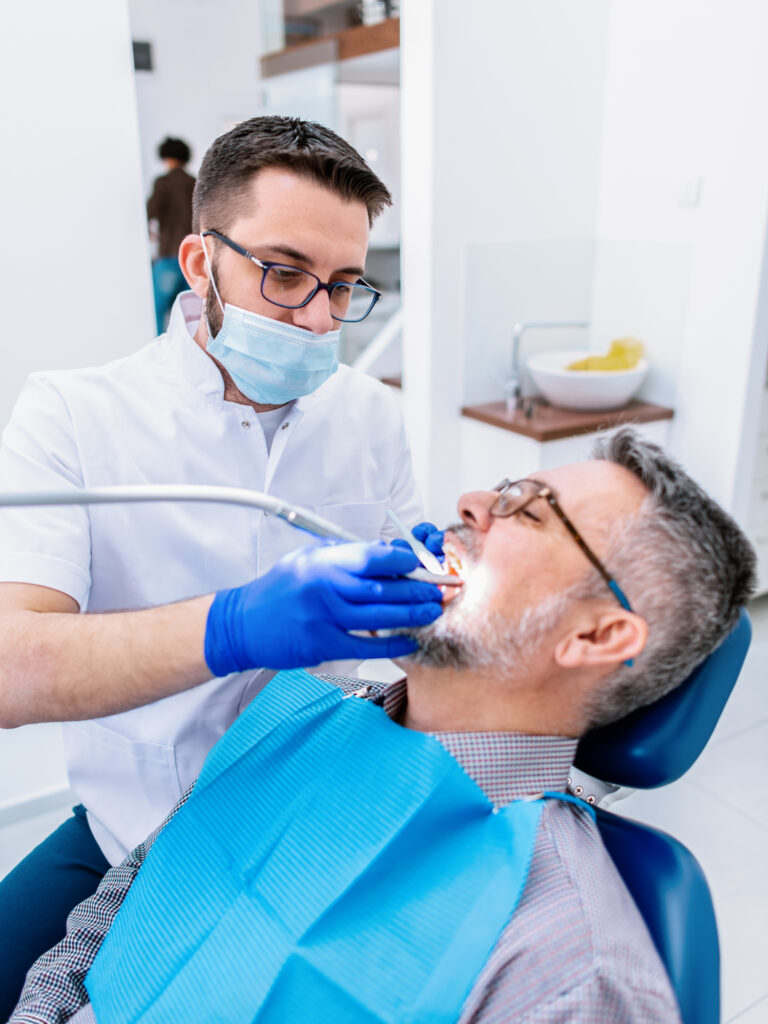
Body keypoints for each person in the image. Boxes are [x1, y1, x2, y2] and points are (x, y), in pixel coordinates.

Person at [10, 430, 756, 1024]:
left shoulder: (564, 962)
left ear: (595, 638)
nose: (469, 502)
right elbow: (127, 899)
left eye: (527, 511)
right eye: (501, 490)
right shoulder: (291, 712)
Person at [0, 116, 443, 1015]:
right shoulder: (75, 417)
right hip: (135, 832)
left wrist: (440, 608)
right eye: (285, 274)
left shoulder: (368, 413)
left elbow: (423, 635)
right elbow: (9, 667)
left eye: (345, 285)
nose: (319, 317)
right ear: (200, 263)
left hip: (308, 827)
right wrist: (229, 627)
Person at [146, 136, 196, 333]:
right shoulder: (195, 182)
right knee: (189, 315)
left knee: (158, 312)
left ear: (166, 157)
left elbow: (151, 212)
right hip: (192, 259)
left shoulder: (163, 182)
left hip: (168, 255)